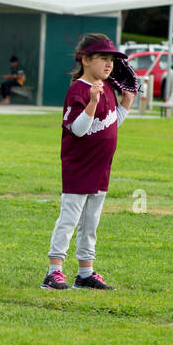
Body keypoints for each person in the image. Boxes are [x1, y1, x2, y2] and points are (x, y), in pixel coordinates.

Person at [42, 34, 135, 291]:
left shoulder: (106, 88)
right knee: (69, 219)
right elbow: (80, 129)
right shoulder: (79, 90)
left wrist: (126, 102)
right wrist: (92, 102)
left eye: (112, 61)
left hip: (101, 167)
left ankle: (85, 272)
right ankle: (53, 271)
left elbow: (108, 124)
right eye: (103, 58)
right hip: (79, 167)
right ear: (85, 59)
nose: (109, 65)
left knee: (91, 222)